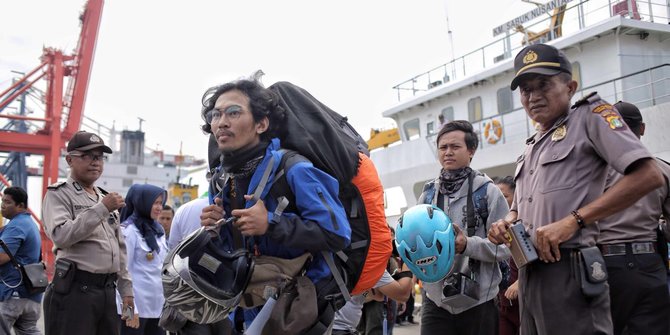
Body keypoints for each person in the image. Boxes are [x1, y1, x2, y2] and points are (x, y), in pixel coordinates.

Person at [487, 43, 664, 335]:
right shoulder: (531, 147)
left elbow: (649, 175)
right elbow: (519, 208)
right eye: (526, 90)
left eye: (543, 85)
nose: (533, 96)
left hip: (571, 268)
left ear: (570, 87)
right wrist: (506, 223)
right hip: (530, 273)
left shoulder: (590, 117)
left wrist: (574, 220)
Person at [198, 79, 351, 332]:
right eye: (216, 114)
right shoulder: (222, 181)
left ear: (261, 124)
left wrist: (271, 222)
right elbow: (232, 250)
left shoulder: (295, 170)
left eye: (234, 112)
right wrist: (216, 229)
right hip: (246, 305)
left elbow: (338, 234)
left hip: (295, 310)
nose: (222, 122)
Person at [418, 120, 511, 335]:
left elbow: (507, 247)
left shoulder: (488, 193)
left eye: (455, 147)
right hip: (436, 301)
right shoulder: (428, 195)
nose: (448, 152)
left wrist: (467, 245)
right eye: (443, 147)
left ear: (471, 151)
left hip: (479, 302)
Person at [41, 130, 134, 335]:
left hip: (107, 293)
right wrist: (102, 209)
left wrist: (127, 292)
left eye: (99, 157)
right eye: (87, 156)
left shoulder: (103, 196)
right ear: (69, 160)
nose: (95, 162)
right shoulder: (59, 194)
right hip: (75, 292)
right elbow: (62, 236)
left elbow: (119, 249)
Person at [596, 101, 670, 335]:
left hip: (603, 265)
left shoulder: (594, 173)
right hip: (650, 262)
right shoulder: (663, 169)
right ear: (643, 128)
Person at [118, 184, 169, 335]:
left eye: (161, 203)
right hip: (135, 310)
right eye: (155, 203)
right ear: (142, 203)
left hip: (157, 309)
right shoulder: (128, 231)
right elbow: (121, 273)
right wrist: (129, 312)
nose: (159, 207)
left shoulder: (158, 231)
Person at [0, 186, 42, 335]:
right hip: (32, 294)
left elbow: (2, 257)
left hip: (12, 292)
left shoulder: (16, 226)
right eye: (2, 201)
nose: (2, 205)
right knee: (28, 330)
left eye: (7, 202)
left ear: (21, 206)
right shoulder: (30, 224)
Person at [332, 266, 413, 335]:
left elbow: (378, 295)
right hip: (338, 326)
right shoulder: (370, 258)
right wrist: (407, 267)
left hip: (333, 325)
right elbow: (402, 294)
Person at [494, 176, 520, 335]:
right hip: (500, 302)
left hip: (524, 302)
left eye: (504, 197)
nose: (499, 202)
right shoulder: (492, 231)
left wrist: (520, 282)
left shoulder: (524, 226)